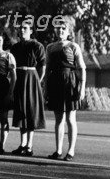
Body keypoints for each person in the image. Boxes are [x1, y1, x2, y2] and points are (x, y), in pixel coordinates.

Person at [44, 19, 86, 161]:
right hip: (55, 83)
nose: (60, 31)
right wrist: (45, 89)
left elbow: (82, 68)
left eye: (63, 28)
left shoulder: (74, 46)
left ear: (68, 32)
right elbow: (48, 68)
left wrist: (82, 88)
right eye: (57, 28)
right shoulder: (50, 47)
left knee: (70, 118)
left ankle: (71, 151)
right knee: (58, 119)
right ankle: (58, 150)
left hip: (70, 83)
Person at [9, 20, 46, 155]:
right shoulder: (15, 47)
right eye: (20, 28)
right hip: (18, 79)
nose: (22, 30)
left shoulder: (37, 46)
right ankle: (22, 144)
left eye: (25, 28)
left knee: (30, 112)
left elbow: (42, 67)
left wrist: (37, 81)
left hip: (31, 79)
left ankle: (29, 145)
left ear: (31, 31)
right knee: (20, 111)